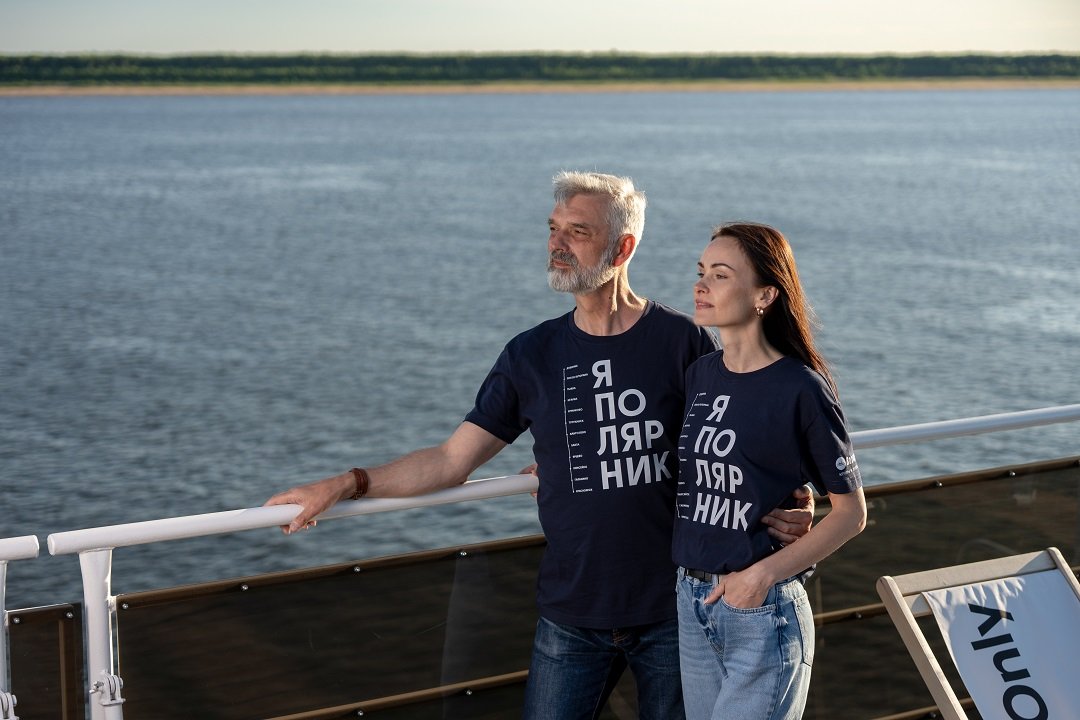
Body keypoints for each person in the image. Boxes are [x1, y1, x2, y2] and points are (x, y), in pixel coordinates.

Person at [265, 173, 814, 720]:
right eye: (553, 229)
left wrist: (793, 499)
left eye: (578, 231)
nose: (557, 243)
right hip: (571, 613)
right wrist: (347, 484)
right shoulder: (530, 354)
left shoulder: (683, 342)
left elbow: (738, 440)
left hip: (676, 610)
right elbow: (451, 460)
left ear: (622, 247)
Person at [672, 222, 867, 720]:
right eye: (701, 272)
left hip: (761, 611)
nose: (700, 285)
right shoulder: (700, 375)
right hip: (692, 601)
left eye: (720, 275)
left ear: (765, 295)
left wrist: (761, 576)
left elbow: (851, 514)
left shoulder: (801, 388)